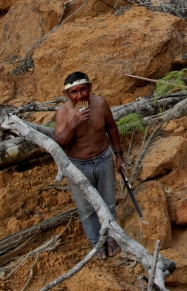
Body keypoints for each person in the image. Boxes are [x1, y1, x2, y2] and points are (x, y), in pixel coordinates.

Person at [54, 71, 125, 259]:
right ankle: (97, 243)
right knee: (86, 209)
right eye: (74, 92)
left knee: (109, 202)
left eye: (83, 90)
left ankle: (112, 238)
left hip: (103, 159)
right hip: (77, 165)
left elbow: (111, 127)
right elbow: (60, 143)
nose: (80, 96)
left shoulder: (100, 103)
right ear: (67, 94)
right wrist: (73, 124)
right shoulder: (63, 112)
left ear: (90, 88)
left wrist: (118, 155)